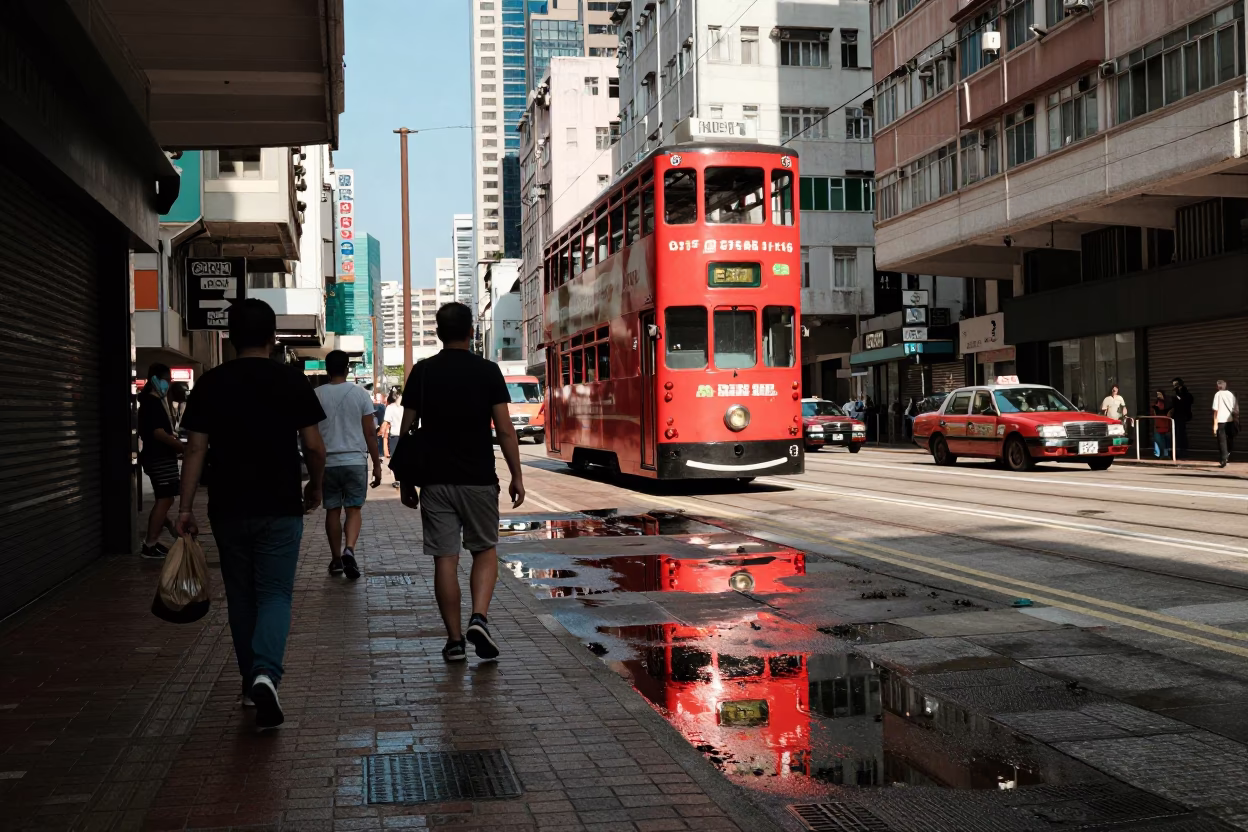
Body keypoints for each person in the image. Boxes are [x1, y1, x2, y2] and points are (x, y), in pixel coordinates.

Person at [176, 299, 327, 732]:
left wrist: (185, 507)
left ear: (228, 338)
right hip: (279, 505)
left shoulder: (210, 384)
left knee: (241, 597)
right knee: (276, 594)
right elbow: (314, 446)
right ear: (272, 337)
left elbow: (195, 449)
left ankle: (249, 683)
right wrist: (315, 486)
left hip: (227, 507)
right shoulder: (291, 381)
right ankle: (266, 673)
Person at [399, 302, 525, 663]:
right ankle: (479, 618)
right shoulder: (487, 371)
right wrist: (516, 475)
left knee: (445, 559)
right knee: (484, 550)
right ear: (471, 332)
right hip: (479, 479)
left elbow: (407, 430)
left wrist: (407, 481)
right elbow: (503, 429)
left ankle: (454, 641)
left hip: (435, 481)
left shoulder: (422, 373)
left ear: (438, 333)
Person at [315, 350, 383, 579]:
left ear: (327, 370)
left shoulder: (316, 395)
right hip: (354, 460)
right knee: (354, 510)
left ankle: (336, 559)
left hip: (327, 463)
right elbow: (370, 433)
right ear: (347, 369)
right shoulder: (360, 394)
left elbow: (310, 434)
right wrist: (377, 464)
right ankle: (349, 549)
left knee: (332, 511)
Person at [137, 363, 184, 559]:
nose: (169, 382)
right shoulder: (152, 402)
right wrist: (181, 447)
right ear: (156, 379)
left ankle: (154, 540)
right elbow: (159, 433)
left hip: (158, 457)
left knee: (164, 499)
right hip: (159, 457)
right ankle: (150, 543)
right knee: (165, 499)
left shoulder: (155, 401)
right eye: (167, 378)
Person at [1213, 380, 1239, 468]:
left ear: (1218, 387)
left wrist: (1214, 424)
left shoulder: (1218, 394)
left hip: (1221, 421)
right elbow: (1235, 408)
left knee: (1222, 440)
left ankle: (1224, 458)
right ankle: (1228, 453)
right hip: (1231, 420)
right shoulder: (1231, 394)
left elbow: (1215, 410)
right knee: (1230, 437)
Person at [381, 389, 404, 487]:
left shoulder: (390, 407)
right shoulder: (406, 407)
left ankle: (398, 479)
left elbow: (386, 422)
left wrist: (381, 431)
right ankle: (405, 479)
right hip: (406, 435)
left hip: (394, 435)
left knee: (395, 458)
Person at [1171, 377, 1194, 457]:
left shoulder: (1185, 394)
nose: (1174, 386)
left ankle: (1181, 451)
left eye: (1175, 385)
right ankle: (1179, 450)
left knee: (1180, 433)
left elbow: (1186, 402)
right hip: (1177, 416)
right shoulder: (1177, 393)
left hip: (1182, 416)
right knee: (1178, 433)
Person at [1150, 390, 1172, 460]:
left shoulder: (1167, 403)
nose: (1159, 396)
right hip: (1158, 426)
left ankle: (1166, 455)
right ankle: (1160, 455)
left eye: (1160, 394)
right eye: (1157, 395)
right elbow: (1153, 413)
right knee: (1159, 441)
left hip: (1166, 425)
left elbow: (1169, 413)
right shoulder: (1155, 404)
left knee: (1167, 442)